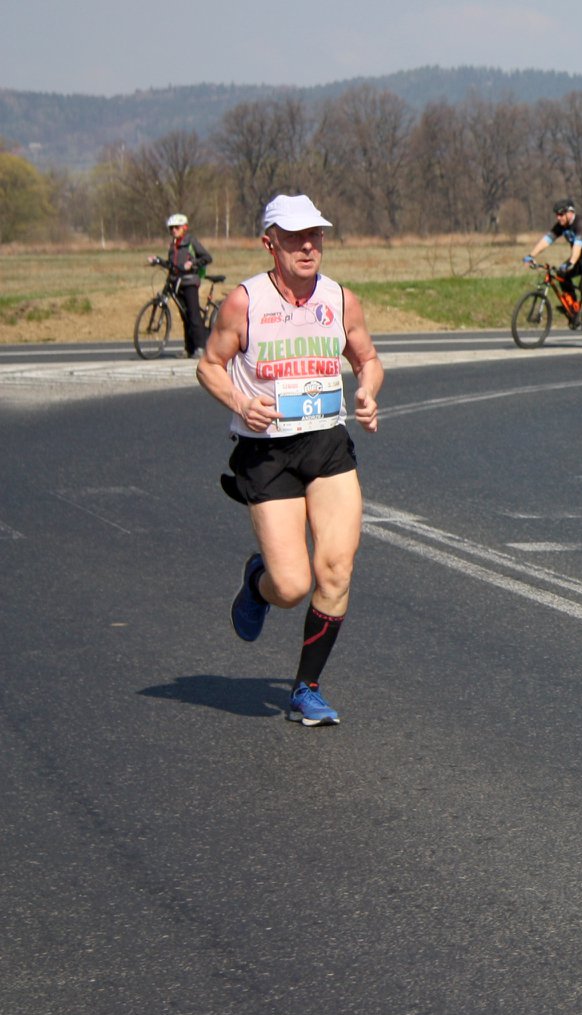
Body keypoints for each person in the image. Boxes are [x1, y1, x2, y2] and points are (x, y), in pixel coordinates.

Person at [196, 194, 382, 726]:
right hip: (266, 452)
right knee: (292, 584)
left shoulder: (341, 300)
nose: (308, 246)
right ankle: (258, 581)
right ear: (269, 242)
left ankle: (307, 688)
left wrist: (367, 391)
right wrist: (239, 401)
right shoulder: (244, 302)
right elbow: (210, 364)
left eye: (316, 235)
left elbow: (367, 359)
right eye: (295, 236)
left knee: (336, 570)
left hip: (327, 444)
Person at [525, 197, 582, 328]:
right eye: (557, 215)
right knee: (561, 274)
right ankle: (574, 310)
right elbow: (547, 240)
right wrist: (531, 255)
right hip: (581, 258)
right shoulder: (561, 226)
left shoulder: (581, 224)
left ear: (570, 213)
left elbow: (577, 245)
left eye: (561, 214)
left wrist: (571, 262)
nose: (558, 218)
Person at [151, 212, 214, 358]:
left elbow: (207, 257)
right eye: (171, 228)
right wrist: (158, 261)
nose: (173, 230)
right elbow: (172, 265)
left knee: (193, 315)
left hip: (190, 282)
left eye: (176, 227)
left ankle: (200, 347)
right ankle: (188, 348)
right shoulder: (173, 245)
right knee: (184, 316)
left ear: (184, 228)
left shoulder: (191, 242)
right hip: (177, 283)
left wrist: (192, 263)